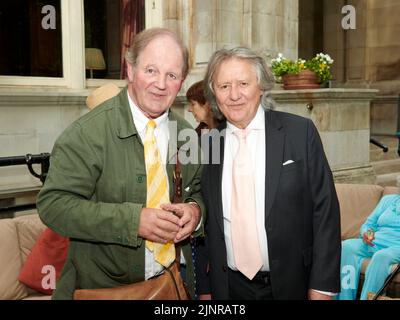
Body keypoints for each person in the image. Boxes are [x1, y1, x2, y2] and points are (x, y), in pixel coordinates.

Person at [37, 28, 204, 299]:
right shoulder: (87, 133)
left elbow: (198, 191)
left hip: (172, 286)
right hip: (103, 290)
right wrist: (132, 221)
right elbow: (53, 205)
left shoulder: (186, 136)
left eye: (171, 75)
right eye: (151, 70)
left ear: (181, 82)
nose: (160, 84)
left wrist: (195, 212)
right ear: (130, 70)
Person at [199, 47, 341, 300]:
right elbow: (206, 224)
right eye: (224, 86)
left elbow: (325, 212)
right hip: (228, 288)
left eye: (243, 83)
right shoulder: (208, 145)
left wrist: (322, 287)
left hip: (291, 285)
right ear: (214, 94)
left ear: (261, 86)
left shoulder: (300, 132)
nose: (234, 95)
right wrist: (206, 289)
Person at [337, 194, 400, 300]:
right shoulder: (388, 200)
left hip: (397, 245)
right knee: (346, 247)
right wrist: (366, 233)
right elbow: (369, 224)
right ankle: (345, 297)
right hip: (376, 241)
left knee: (381, 256)